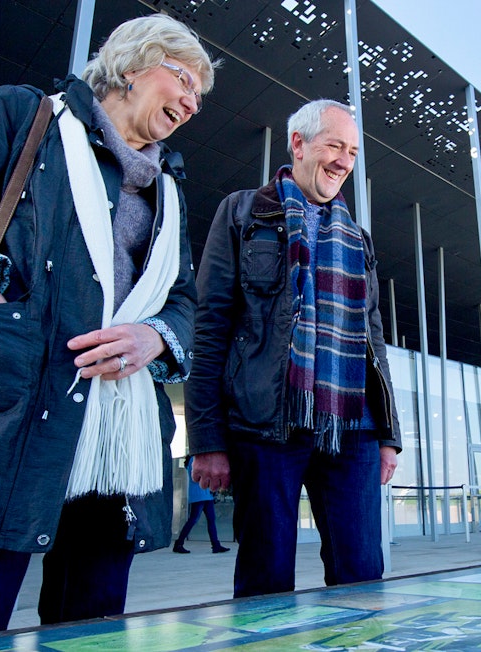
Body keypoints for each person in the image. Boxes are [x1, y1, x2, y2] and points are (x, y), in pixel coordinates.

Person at [0, 14, 216, 646]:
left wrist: (153, 338)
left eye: (201, 93)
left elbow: (182, 300)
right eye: (184, 80)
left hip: (116, 435)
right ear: (133, 64)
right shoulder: (22, 116)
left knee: (89, 632)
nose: (194, 103)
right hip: (4, 416)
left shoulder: (169, 188)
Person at [185, 99, 403, 599]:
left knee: (363, 577)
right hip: (267, 425)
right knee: (266, 580)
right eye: (334, 145)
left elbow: (374, 337)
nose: (345, 161)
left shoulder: (360, 238)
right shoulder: (242, 212)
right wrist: (207, 439)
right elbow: (210, 325)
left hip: (354, 428)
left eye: (352, 151)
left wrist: (388, 433)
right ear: (298, 144)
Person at [172, 456, 230, 554]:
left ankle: (216, 545)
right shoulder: (194, 460)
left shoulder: (198, 459)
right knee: (193, 519)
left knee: (210, 520)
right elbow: (195, 477)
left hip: (206, 494)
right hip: (199, 495)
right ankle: (179, 543)